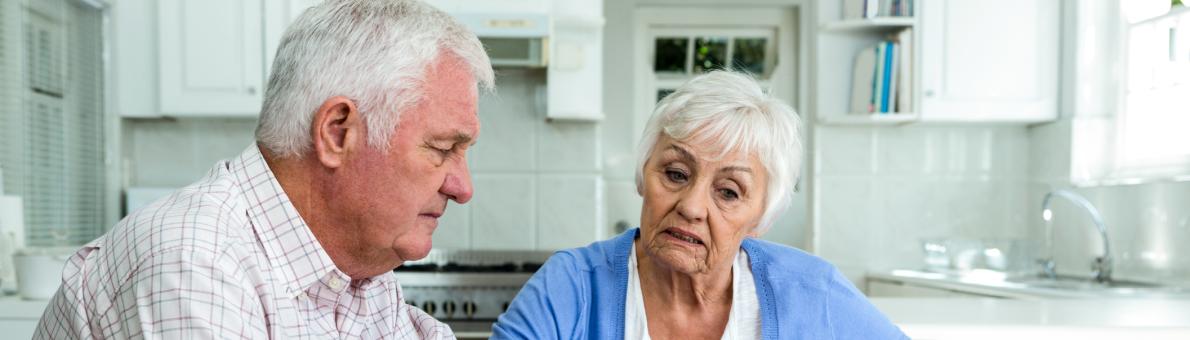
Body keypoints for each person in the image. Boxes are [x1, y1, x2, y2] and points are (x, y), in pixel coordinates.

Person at [34, 0, 493, 338]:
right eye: (441, 148)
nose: (463, 188)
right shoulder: (194, 259)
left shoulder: (357, 271)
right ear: (337, 132)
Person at [491, 71, 906, 339]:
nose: (691, 206)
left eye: (728, 192)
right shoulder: (571, 287)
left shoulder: (812, 292)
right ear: (643, 175)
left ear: (761, 216)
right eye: (675, 174)